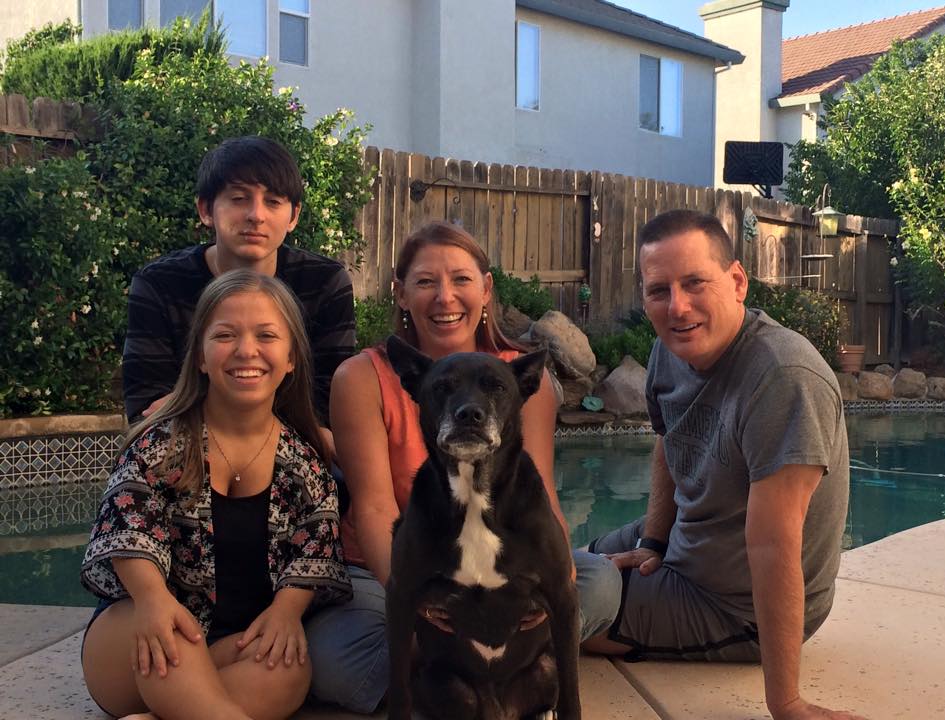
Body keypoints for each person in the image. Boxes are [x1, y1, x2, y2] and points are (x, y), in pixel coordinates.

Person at [303, 221, 623, 713]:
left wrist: (560, 585)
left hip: (501, 572)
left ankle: (471, 668)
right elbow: (372, 507)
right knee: (330, 654)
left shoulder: (520, 382)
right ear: (402, 294)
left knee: (598, 580)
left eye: (461, 280)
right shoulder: (365, 377)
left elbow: (542, 503)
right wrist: (418, 605)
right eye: (426, 282)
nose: (444, 297)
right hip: (396, 568)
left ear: (487, 290)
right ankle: (491, 664)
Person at [582, 210, 865, 720]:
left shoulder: (783, 377)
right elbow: (668, 444)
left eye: (695, 283)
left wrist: (787, 704)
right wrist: (653, 541)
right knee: (552, 564)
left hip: (737, 606)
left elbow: (773, 545)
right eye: (659, 290)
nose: (678, 306)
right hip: (684, 543)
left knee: (550, 607)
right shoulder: (670, 350)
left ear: (737, 281)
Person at [81, 270, 352, 720]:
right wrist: (153, 600)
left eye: (266, 335)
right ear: (202, 358)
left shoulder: (306, 467)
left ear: (290, 360)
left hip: (230, 649)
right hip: (139, 640)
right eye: (225, 335)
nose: (246, 350)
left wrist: (287, 613)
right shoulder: (160, 446)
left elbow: (314, 555)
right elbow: (127, 533)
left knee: (288, 670)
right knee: (172, 631)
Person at [121, 135, 355, 457]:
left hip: (295, 460)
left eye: (273, 202)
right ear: (206, 209)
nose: (256, 215)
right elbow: (147, 410)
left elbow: (330, 407)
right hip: (188, 460)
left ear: (293, 216)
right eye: (239, 198)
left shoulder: (325, 282)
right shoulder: (160, 284)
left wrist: (201, 404)